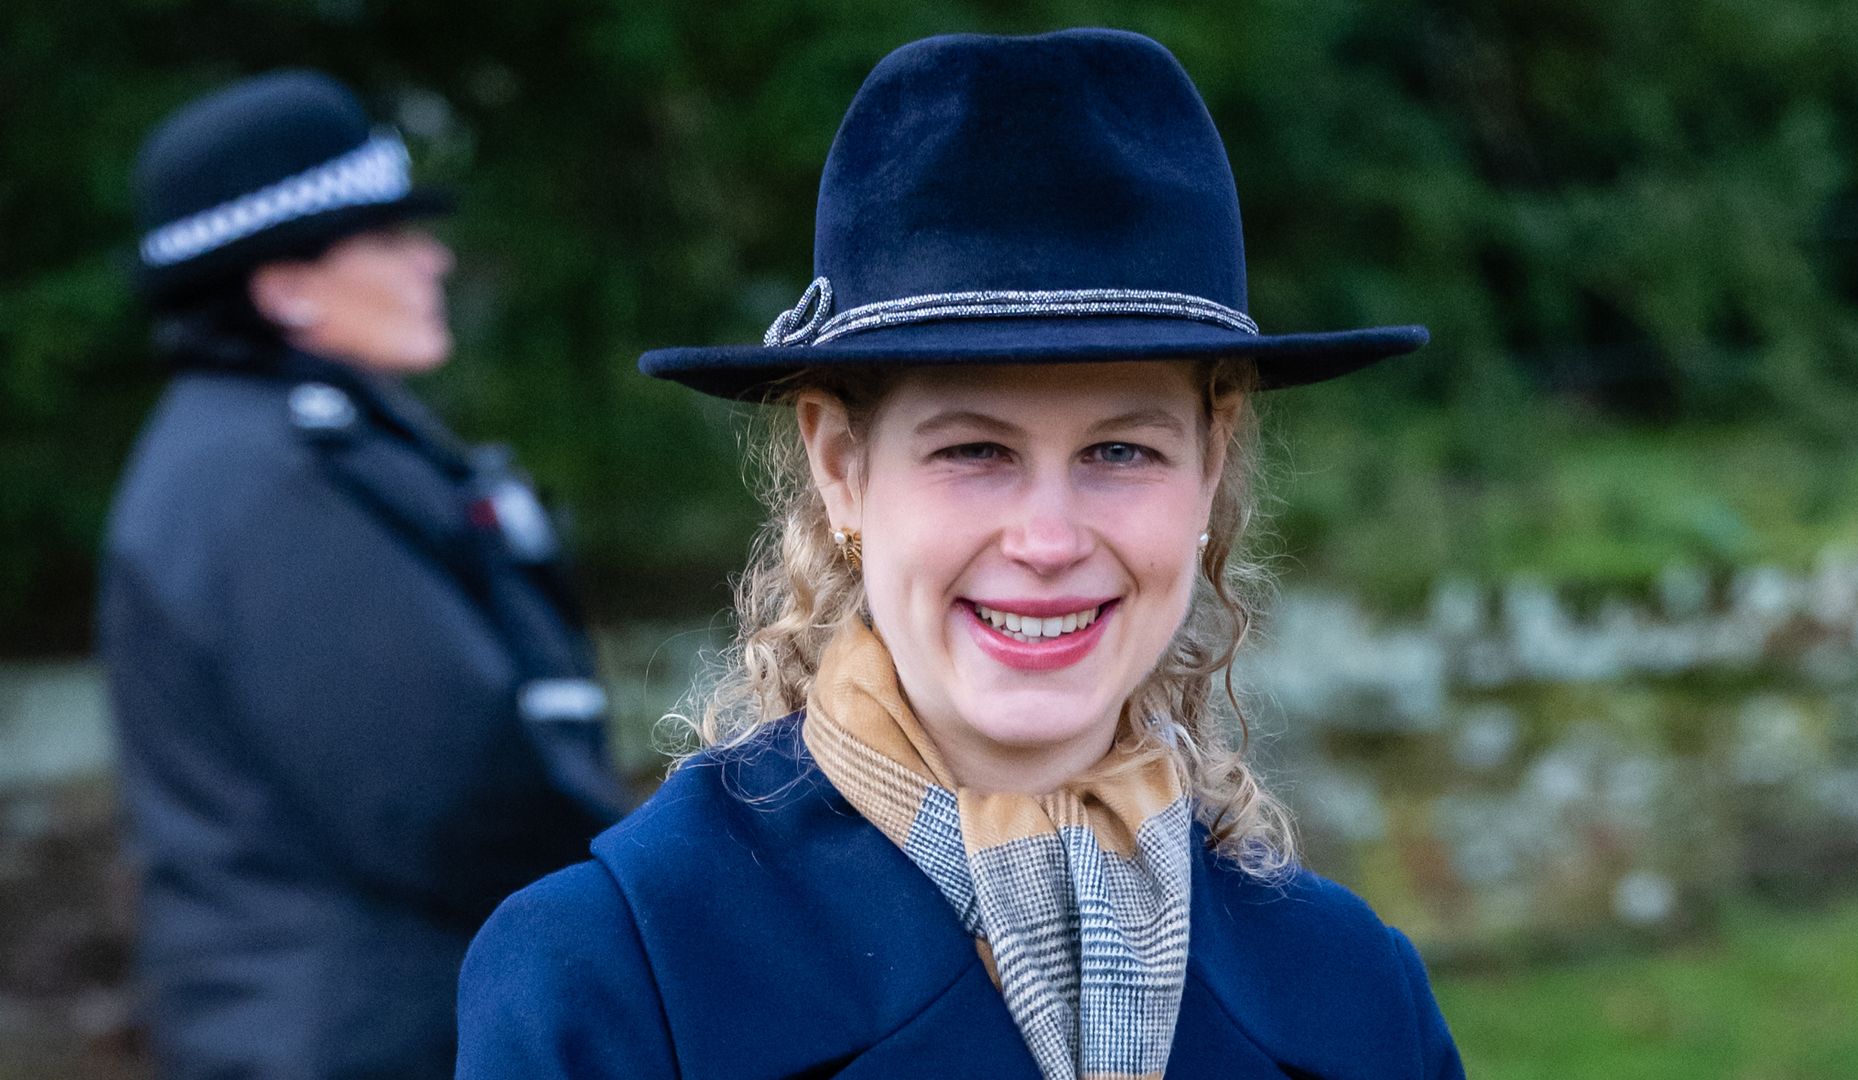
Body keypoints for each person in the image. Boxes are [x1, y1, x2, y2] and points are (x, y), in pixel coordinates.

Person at [457, 28, 1462, 1079]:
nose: (1047, 540)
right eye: (974, 450)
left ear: (1211, 464)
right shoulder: (612, 977)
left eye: (1121, 450)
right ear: (842, 465)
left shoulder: (1354, 991)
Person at [99, 71, 628, 1078]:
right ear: (286, 286)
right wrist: (666, 900)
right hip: (360, 1042)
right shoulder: (261, 484)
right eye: (386, 239)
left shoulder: (280, 450)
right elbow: (444, 792)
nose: (432, 259)